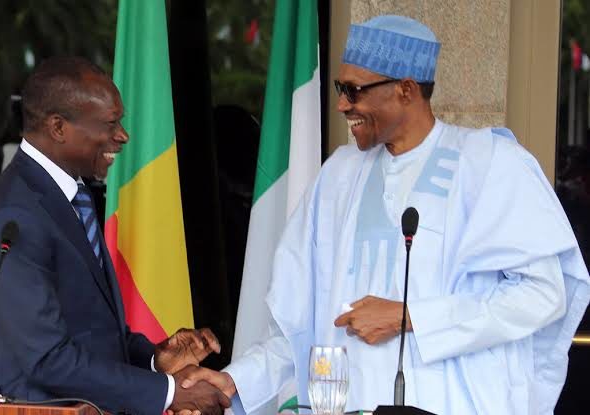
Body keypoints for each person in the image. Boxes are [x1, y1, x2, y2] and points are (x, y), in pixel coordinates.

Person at [178, 15, 590, 414]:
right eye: (340, 88)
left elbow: (543, 294)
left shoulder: (489, 163)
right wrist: (235, 381)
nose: (341, 104)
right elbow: (298, 323)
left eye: (353, 90)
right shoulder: (338, 176)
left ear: (406, 90)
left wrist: (410, 317)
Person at [0, 56, 230, 415]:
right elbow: (48, 358)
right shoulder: (14, 215)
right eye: (110, 124)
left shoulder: (73, 194)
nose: (122, 136)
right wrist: (170, 393)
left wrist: (154, 359)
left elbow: (91, 331)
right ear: (58, 127)